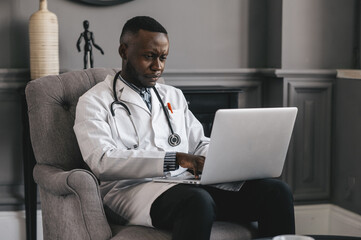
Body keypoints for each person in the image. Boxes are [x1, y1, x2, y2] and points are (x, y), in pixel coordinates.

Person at [73, 16, 295, 240]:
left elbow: (198, 142)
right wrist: (175, 159)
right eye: (149, 56)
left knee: (276, 192)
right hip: (129, 190)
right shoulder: (94, 101)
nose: (157, 66)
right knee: (197, 202)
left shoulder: (172, 95)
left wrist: (224, 160)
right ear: (124, 51)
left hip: (185, 183)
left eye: (163, 57)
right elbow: (102, 160)